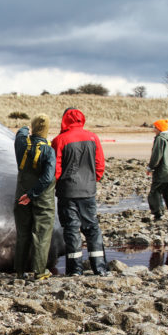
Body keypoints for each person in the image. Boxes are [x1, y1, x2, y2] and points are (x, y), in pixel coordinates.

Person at [51, 108, 108, 276]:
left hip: (67, 193)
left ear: (64, 120)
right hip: (88, 191)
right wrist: (91, 180)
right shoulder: (93, 137)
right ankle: (100, 267)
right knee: (92, 228)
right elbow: (100, 165)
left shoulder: (59, 140)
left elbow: (56, 169)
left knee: (71, 230)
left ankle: (75, 269)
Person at [13, 114, 56, 281]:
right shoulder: (48, 151)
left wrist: (27, 128)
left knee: (23, 233)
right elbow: (47, 177)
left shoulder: (22, 143)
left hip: (22, 195)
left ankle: (19, 271)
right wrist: (33, 195)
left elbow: (21, 131)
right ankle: (39, 271)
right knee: (42, 234)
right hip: (42, 199)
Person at [146, 119, 168, 221]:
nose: (154, 130)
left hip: (162, 171)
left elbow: (156, 156)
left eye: (155, 128)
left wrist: (150, 167)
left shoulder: (160, 139)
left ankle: (158, 214)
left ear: (159, 128)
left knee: (155, 192)